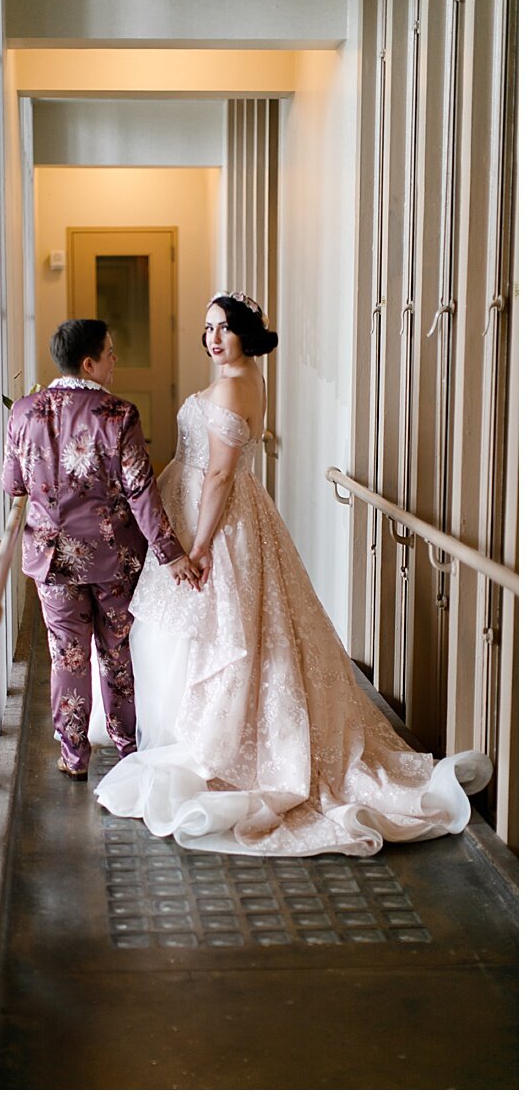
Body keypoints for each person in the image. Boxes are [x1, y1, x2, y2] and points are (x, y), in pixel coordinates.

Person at [95, 292, 493, 855]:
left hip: (218, 526)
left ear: (245, 336)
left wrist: (200, 546)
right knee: (238, 635)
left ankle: (219, 745)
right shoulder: (249, 375)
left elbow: (219, 478)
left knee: (219, 635)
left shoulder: (234, 385)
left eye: (224, 329)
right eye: (207, 328)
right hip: (223, 516)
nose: (212, 338)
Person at [2, 318, 200, 780]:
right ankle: (129, 749)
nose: (115, 360)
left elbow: (13, 484)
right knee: (118, 654)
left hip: (52, 561)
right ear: (89, 363)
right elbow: (141, 492)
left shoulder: (24, 412)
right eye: (110, 353)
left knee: (67, 657)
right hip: (114, 559)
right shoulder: (118, 414)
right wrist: (171, 554)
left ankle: (74, 758)